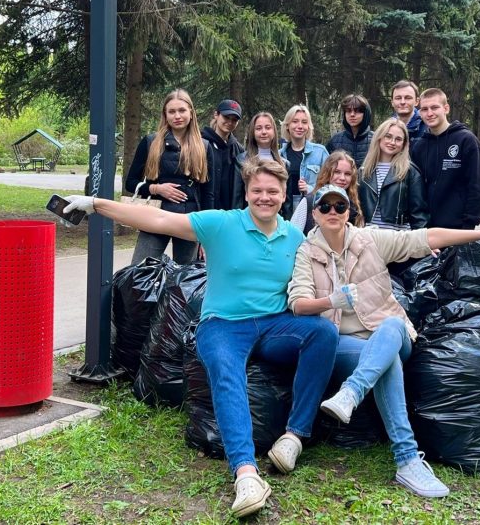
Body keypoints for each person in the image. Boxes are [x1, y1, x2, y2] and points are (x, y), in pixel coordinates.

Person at [64, 158, 338, 518]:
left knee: (323, 333)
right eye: (258, 190)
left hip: (273, 324)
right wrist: (97, 204)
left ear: (284, 194)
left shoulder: (295, 237)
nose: (265, 197)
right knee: (227, 372)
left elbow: (335, 255)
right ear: (247, 192)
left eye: (273, 191)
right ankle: (246, 473)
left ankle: (294, 437)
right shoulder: (222, 223)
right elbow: (160, 220)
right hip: (222, 324)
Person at [288, 185, 480, 498]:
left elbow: (425, 238)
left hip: (388, 332)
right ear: (314, 213)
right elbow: (298, 303)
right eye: (325, 207)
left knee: (393, 325)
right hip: (343, 343)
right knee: (388, 361)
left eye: (339, 207)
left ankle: (352, 392)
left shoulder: (368, 239)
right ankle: (407, 460)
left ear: (348, 213)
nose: (332, 212)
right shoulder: (306, 251)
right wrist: (329, 301)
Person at [124, 89, 214, 264]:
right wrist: (156, 188)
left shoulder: (204, 146)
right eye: (172, 111)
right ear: (165, 115)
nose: (177, 116)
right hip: (155, 214)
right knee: (140, 271)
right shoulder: (150, 142)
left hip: (189, 220)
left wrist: (206, 235)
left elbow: (208, 194)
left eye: (182, 110)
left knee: (184, 279)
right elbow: (130, 183)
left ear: (191, 113)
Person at [410, 88, 480, 229]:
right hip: (426, 229)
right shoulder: (419, 147)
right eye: (424, 109)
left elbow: (477, 185)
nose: (429, 113)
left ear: (446, 108)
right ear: (419, 112)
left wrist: (469, 223)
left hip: (458, 228)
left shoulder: (466, 140)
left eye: (434, 107)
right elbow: (415, 189)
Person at [359, 118, 428, 231]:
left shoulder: (410, 171)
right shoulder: (364, 170)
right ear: (379, 137)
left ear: (404, 143)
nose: (392, 142)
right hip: (368, 237)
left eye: (398, 139)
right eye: (388, 136)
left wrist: (423, 241)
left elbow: (419, 213)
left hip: (398, 238)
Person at [294, 150, 365, 234]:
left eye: (347, 174)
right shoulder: (309, 201)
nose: (342, 178)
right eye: (337, 172)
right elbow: (293, 236)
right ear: (326, 173)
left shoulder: (354, 206)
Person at [233, 112, 290, 214]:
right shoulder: (241, 161)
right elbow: (237, 197)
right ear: (253, 132)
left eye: (268, 127)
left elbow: (286, 203)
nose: (263, 132)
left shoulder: (284, 164)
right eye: (258, 128)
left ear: (274, 131)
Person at [280, 105, 330, 216]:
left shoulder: (320, 152)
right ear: (287, 125)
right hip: (284, 211)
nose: (300, 126)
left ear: (309, 126)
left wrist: (311, 190)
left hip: (311, 210)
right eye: (295, 121)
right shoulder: (279, 155)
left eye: (304, 122)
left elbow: (330, 185)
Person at [202, 99, 244, 210]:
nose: (230, 122)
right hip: (202, 210)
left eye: (234, 120)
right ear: (216, 115)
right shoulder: (200, 144)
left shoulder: (239, 150)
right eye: (226, 117)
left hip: (229, 212)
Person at [325, 94, 374, 167]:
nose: (352, 114)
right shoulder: (335, 140)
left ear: (365, 113)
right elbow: (327, 168)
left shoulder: (375, 139)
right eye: (348, 111)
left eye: (357, 111)